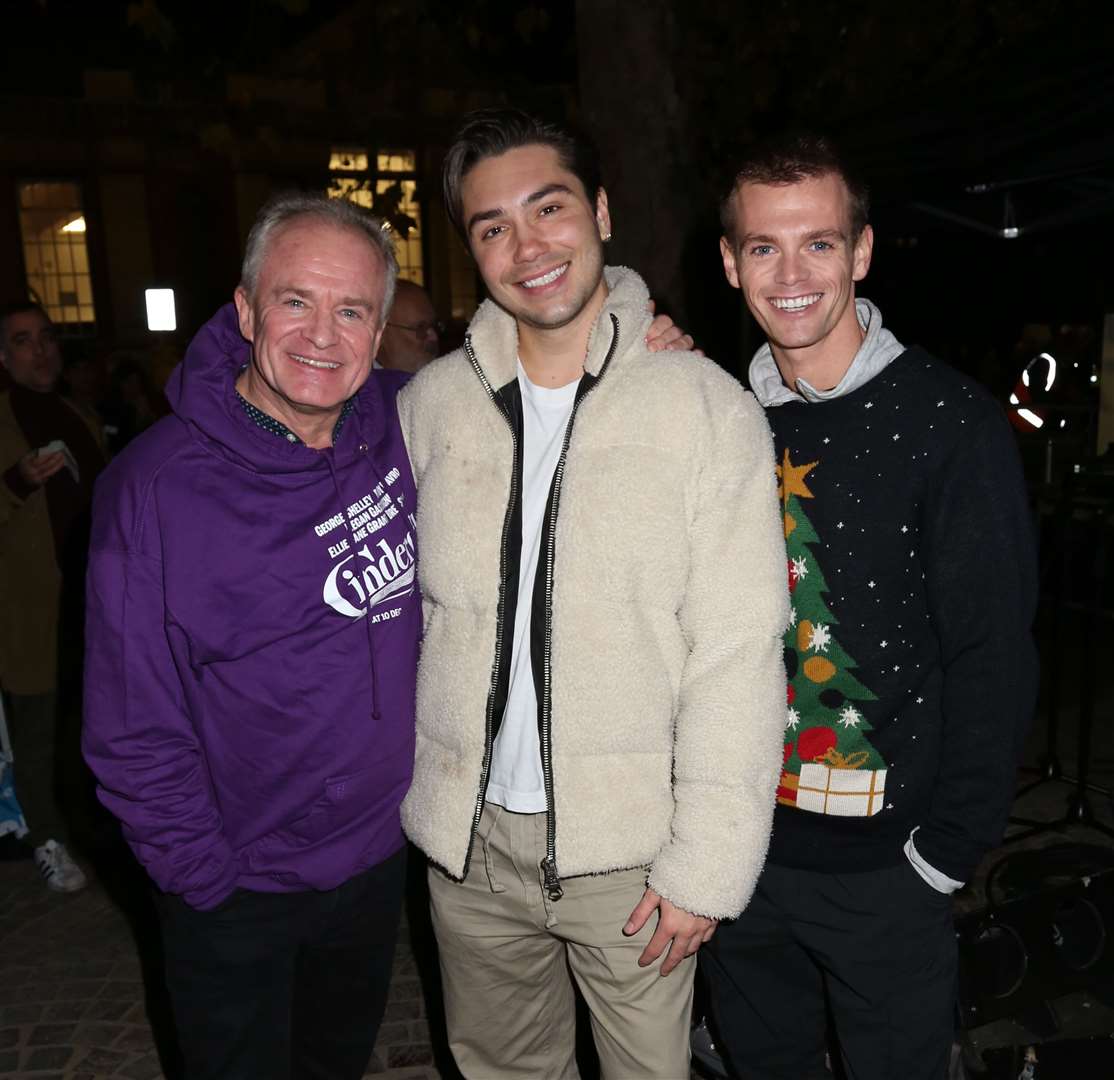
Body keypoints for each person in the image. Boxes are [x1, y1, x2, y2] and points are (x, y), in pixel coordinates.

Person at [396, 108, 789, 1079]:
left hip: (633, 855)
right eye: (491, 226)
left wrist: (705, 867)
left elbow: (739, 651)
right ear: (470, 249)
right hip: (471, 849)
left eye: (548, 207)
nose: (525, 246)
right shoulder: (427, 408)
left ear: (601, 211)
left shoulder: (705, 409)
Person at [700, 133, 1038, 1080]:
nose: (793, 272)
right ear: (730, 264)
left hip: (890, 869)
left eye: (819, 242)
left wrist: (944, 854)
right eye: (764, 247)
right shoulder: (722, 419)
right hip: (738, 858)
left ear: (862, 251)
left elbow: (994, 657)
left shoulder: (951, 423)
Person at [82, 193, 422, 1080]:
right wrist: (205, 881)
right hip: (238, 888)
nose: (322, 334)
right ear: (243, 309)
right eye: (294, 300)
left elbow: (537, 365)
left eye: (351, 310)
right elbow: (129, 726)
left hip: (376, 861)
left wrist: (643, 331)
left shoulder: (410, 420)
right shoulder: (151, 490)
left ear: (382, 329)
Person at [0, 301, 104, 890]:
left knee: (90, 726)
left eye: (44, 338)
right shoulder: (3, 420)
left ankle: (89, 828)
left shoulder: (75, 411)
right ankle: (46, 839)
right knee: (37, 735)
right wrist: (16, 482)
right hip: (31, 612)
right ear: (3, 357)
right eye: (22, 341)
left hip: (90, 601)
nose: (39, 350)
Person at [375, 278, 441, 373]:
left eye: (434, 325)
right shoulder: (358, 385)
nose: (434, 337)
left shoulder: (448, 380)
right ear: (381, 334)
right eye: (420, 328)